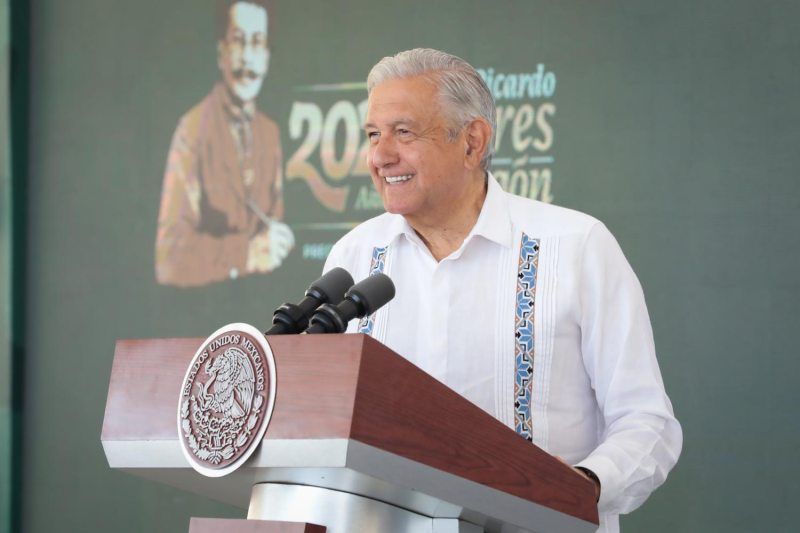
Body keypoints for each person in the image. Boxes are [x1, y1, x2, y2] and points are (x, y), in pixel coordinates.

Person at [323, 48, 682, 533]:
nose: (381, 156)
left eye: (403, 132)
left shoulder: (576, 247)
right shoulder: (353, 257)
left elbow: (647, 423)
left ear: (472, 142)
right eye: (373, 135)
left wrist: (584, 484)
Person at [155, 0, 293, 287]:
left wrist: (278, 242)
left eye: (257, 43)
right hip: (203, 317)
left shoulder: (270, 133)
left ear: (267, 58)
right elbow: (169, 260)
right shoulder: (192, 130)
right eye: (238, 42)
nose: (247, 58)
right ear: (221, 54)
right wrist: (246, 254)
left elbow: (272, 227)